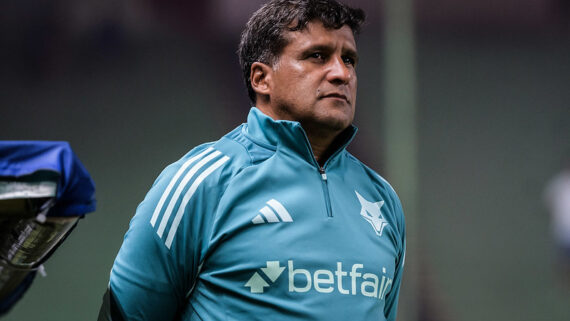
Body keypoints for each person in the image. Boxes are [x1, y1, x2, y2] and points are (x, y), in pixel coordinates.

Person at [99, 0, 406, 320]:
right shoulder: (202, 183)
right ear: (261, 79)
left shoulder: (382, 200)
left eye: (349, 59)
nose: (342, 73)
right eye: (317, 56)